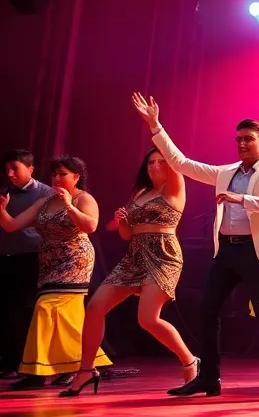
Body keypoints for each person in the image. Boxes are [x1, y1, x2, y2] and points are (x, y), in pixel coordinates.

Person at [131, 93, 259, 400]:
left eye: (249, 139)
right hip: (227, 250)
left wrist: (240, 199)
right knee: (207, 308)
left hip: (256, 250)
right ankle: (209, 378)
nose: (242, 144)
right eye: (238, 139)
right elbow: (181, 163)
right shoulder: (226, 172)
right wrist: (155, 124)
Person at [63, 147, 198, 397]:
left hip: (163, 256)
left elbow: (172, 155)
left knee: (147, 319)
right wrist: (123, 221)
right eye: (150, 162)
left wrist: (154, 124)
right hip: (134, 256)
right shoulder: (141, 192)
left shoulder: (174, 189)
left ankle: (190, 361)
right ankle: (86, 370)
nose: (156, 166)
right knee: (94, 308)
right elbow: (127, 234)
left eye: (161, 161)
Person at [0, 156, 111, 389]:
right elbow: (12, 225)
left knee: (46, 308)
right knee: (62, 315)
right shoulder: (45, 201)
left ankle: (38, 372)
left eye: (63, 174)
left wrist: (70, 205)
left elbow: (90, 226)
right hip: (49, 262)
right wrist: (1, 209)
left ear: (76, 177)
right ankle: (79, 366)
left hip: (75, 260)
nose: (57, 179)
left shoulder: (84, 198)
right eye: (54, 175)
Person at [0, 150, 54, 379]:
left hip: (33, 258)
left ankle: (33, 364)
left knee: (28, 311)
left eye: (16, 168)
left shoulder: (46, 194)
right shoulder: (4, 193)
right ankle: (11, 362)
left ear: (30, 169)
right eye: (7, 170)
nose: (10, 174)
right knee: (7, 311)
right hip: (6, 258)